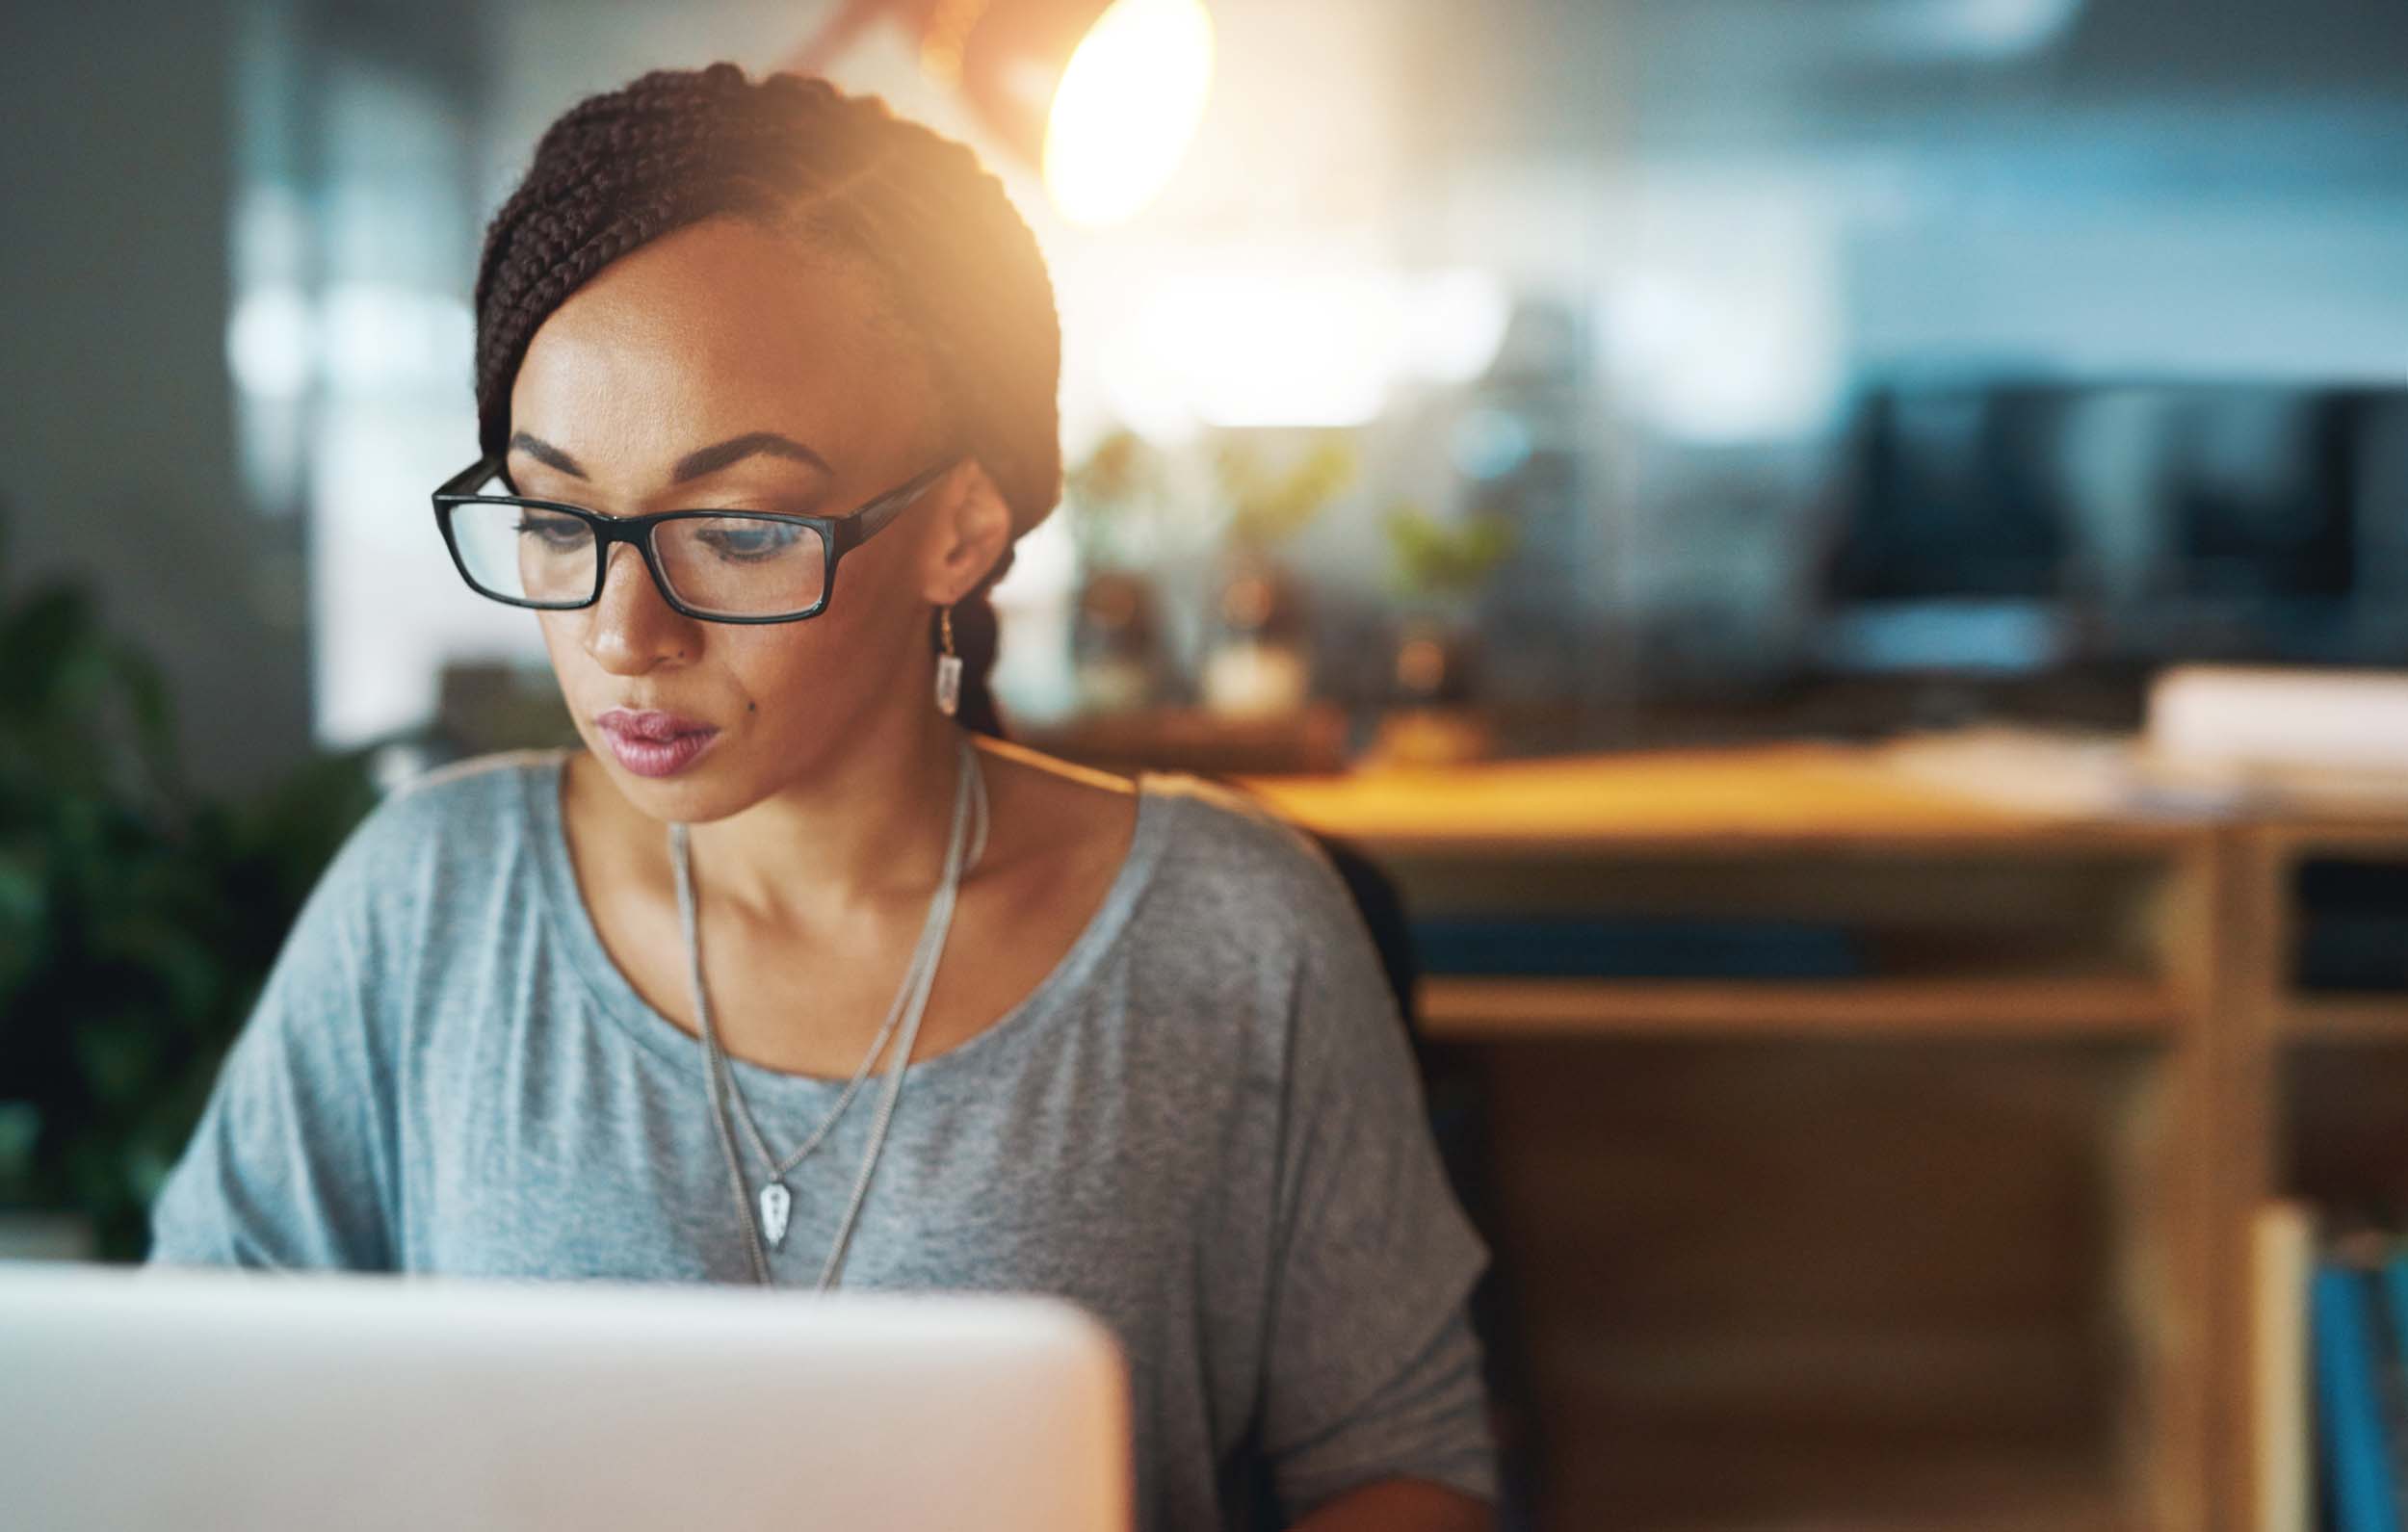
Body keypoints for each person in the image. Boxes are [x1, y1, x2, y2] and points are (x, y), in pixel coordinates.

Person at [147, 63, 1496, 1532]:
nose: (621, 635)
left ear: (962, 528)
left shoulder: (1235, 936)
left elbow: (1398, 1461)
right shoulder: (429, 902)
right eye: (554, 518)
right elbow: (193, 1420)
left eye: (732, 530)